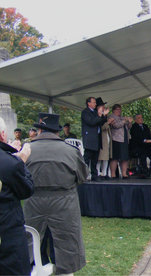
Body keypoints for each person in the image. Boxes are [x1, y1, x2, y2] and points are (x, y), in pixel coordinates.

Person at [24, 112, 89, 275]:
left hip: (34, 204)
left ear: (39, 130)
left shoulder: (27, 150)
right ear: (57, 131)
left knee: (31, 245)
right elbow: (83, 176)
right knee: (67, 247)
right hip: (64, 204)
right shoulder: (71, 151)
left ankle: (34, 270)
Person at [0, 117, 34, 275]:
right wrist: (21, 161)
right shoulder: (9, 162)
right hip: (7, 235)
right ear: (2, 135)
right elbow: (26, 190)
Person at [81, 96, 109, 182]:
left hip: (97, 138)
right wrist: (100, 115)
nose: (95, 104)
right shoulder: (85, 112)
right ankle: (83, 174)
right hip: (90, 138)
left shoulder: (95, 112)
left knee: (95, 159)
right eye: (93, 102)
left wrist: (104, 115)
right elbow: (91, 122)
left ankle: (94, 174)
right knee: (87, 158)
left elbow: (101, 121)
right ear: (88, 103)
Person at [109, 104, 133, 179]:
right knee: (115, 157)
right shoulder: (111, 117)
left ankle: (124, 173)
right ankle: (113, 174)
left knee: (125, 157)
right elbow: (116, 126)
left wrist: (129, 122)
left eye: (120, 109)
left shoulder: (122, 117)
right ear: (114, 110)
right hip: (116, 139)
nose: (119, 111)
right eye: (117, 109)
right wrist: (124, 121)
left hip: (124, 139)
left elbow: (129, 127)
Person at [97, 99, 114, 179]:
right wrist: (108, 122)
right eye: (102, 106)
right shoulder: (98, 116)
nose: (104, 107)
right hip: (101, 138)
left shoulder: (104, 116)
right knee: (100, 157)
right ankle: (97, 173)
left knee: (106, 157)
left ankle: (104, 173)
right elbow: (102, 127)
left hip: (107, 137)